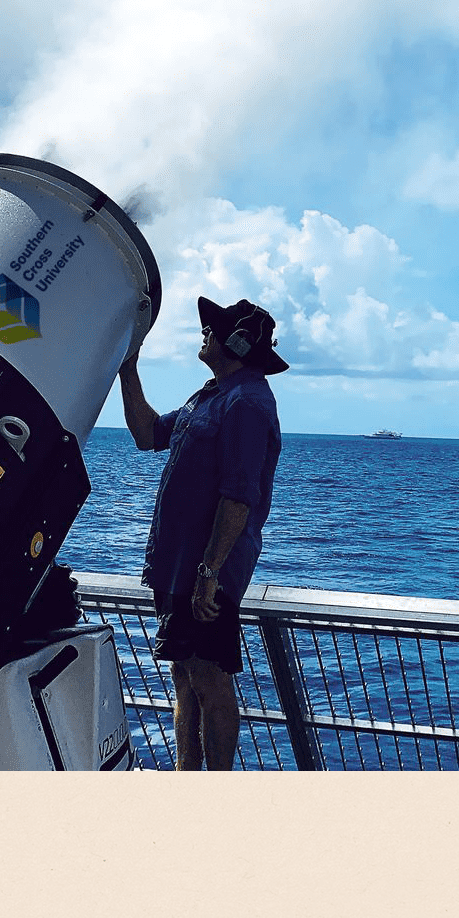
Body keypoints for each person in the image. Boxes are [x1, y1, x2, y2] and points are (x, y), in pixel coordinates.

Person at [116, 296, 286, 770]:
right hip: (178, 565)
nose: (204, 333)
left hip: (206, 572)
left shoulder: (247, 403)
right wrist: (126, 368)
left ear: (236, 341)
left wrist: (209, 572)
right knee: (184, 673)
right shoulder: (209, 395)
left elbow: (239, 498)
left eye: (213, 328)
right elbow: (147, 434)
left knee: (208, 679)